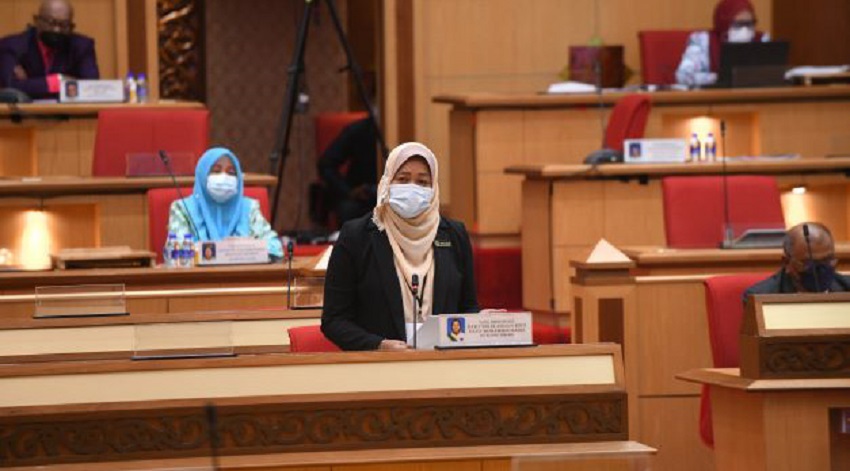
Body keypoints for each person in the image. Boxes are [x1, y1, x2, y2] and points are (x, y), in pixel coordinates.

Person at [321, 142, 479, 351]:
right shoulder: (356, 236)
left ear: (434, 188)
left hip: (442, 362)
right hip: (379, 365)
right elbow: (334, 320)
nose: (412, 188)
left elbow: (467, 307)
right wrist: (377, 345)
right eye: (403, 179)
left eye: (422, 182)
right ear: (387, 182)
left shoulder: (454, 235)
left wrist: (479, 323)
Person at [167, 147, 283, 259]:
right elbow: (176, 252)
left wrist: (242, 247)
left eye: (231, 172)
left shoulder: (249, 208)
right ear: (202, 175)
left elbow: (276, 249)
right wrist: (230, 250)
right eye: (216, 171)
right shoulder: (182, 208)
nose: (224, 177)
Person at [0, 0, 99, 99]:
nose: (57, 30)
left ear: (71, 26)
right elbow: (8, 87)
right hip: (25, 109)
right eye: (51, 23)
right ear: (36, 21)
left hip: (68, 109)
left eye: (64, 25)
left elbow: (91, 87)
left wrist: (28, 84)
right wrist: (56, 82)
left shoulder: (82, 46)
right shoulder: (12, 46)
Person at [743, 222, 850, 302]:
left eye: (827, 260)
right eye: (809, 263)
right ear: (786, 263)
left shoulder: (847, 288)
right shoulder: (761, 298)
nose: (820, 269)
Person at [675, 0, 768, 87]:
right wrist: (719, 78)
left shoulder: (761, 39)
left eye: (749, 24)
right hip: (714, 97)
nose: (745, 29)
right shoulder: (703, 41)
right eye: (738, 24)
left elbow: (773, 74)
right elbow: (683, 76)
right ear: (724, 23)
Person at [317, 117, 379, 226]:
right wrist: (349, 191)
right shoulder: (359, 130)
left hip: (397, 196)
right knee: (349, 209)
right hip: (364, 197)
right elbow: (326, 164)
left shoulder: (405, 129)